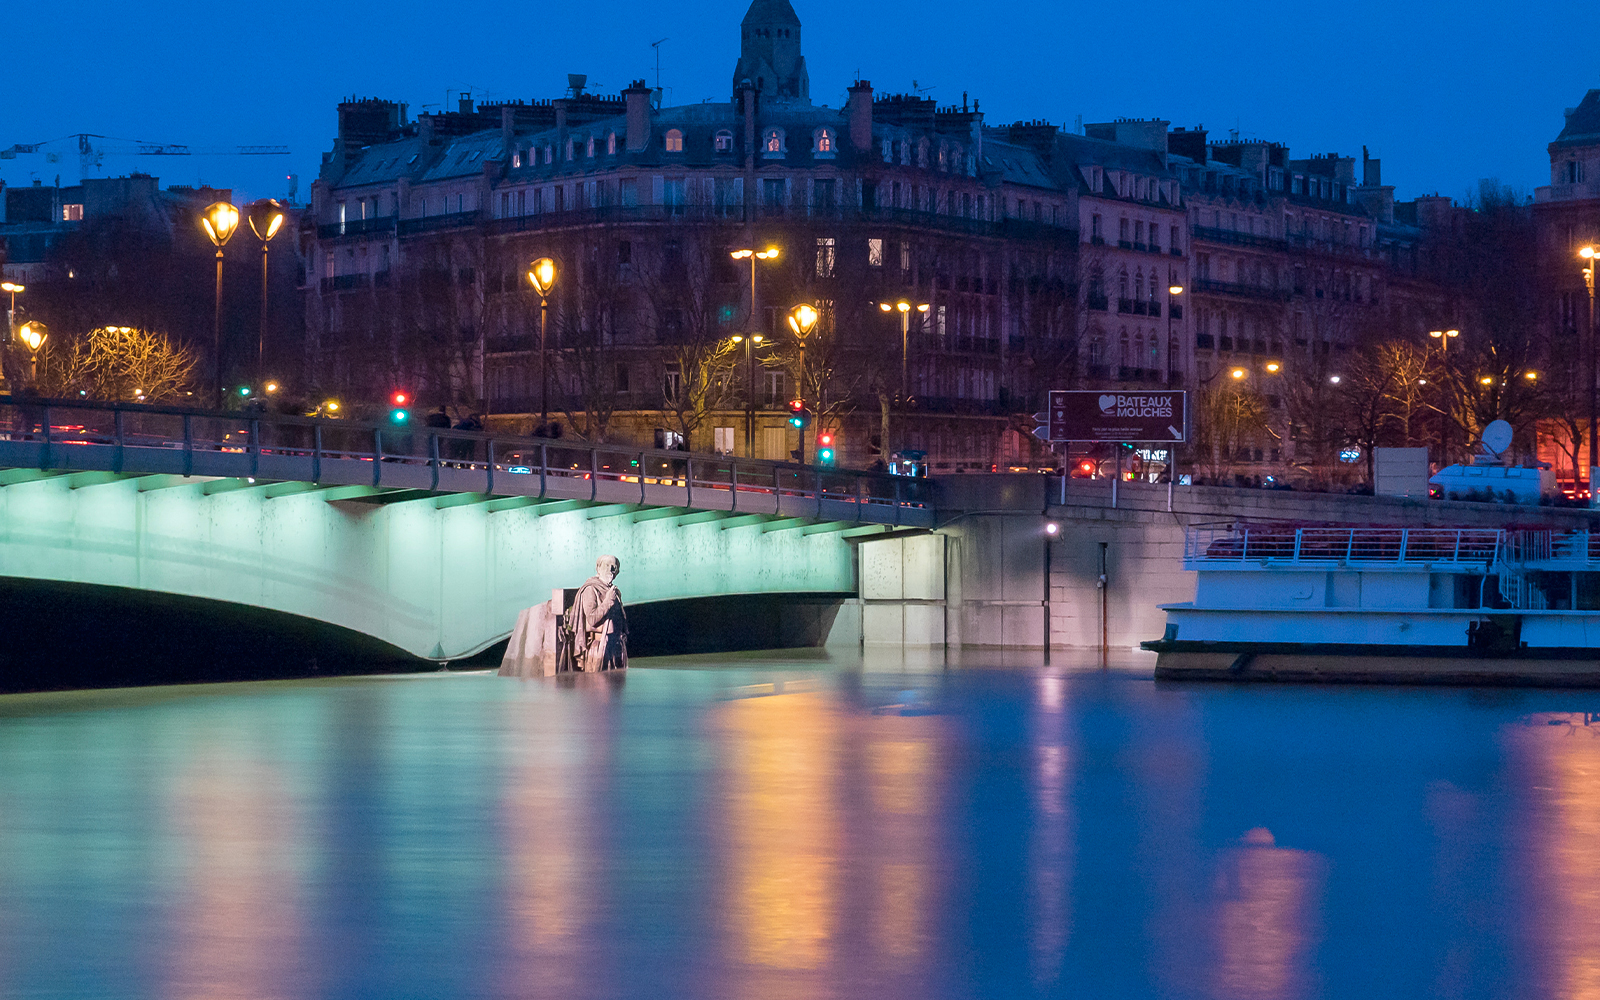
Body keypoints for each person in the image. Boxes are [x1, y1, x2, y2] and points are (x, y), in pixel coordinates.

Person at [567, 555, 628, 672]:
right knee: (600, 687)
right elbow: (592, 619)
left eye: (614, 566)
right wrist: (608, 601)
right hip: (600, 648)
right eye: (607, 565)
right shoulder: (591, 589)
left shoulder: (615, 591)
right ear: (598, 568)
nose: (611, 570)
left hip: (616, 648)